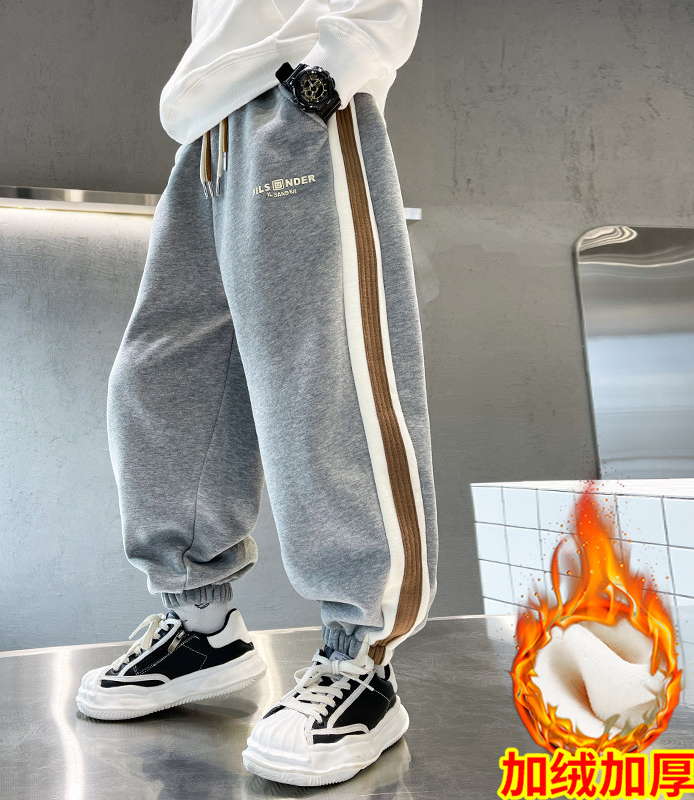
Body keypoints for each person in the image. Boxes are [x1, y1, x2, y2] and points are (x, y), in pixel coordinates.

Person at [76, 0, 439, 787]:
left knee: (323, 380)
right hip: (204, 132)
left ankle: (362, 659)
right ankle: (202, 624)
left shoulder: (311, 87)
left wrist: (328, 76)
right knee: (160, 382)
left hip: (299, 96)